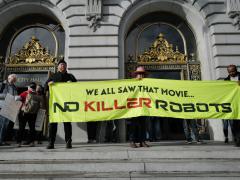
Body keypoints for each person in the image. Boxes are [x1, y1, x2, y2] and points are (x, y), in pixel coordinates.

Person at [45, 59, 77, 149]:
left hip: (67, 103)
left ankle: (68, 142)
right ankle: (51, 142)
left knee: (67, 124)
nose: (62, 66)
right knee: (53, 124)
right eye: (61, 65)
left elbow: (78, 88)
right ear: (58, 67)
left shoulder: (70, 76)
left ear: (66, 67)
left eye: (64, 65)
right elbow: (45, 87)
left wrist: (72, 84)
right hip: (56, 104)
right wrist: (48, 84)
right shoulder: (53, 76)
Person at [16, 82, 43, 147]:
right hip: (33, 113)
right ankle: (32, 142)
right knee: (32, 128)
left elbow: (17, 99)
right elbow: (41, 105)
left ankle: (19, 142)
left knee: (21, 127)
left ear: (29, 87)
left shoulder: (25, 93)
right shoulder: (38, 94)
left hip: (24, 113)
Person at [128, 66, 149, 148]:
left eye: (142, 74)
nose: (141, 76)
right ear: (136, 75)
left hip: (143, 107)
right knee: (133, 125)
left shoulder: (147, 84)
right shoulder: (131, 83)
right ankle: (132, 141)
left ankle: (142, 141)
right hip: (134, 108)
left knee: (143, 125)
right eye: (139, 74)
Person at [224, 64, 240, 146]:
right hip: (233, 105)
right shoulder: (226, 80)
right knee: (234, 125)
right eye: (230, 72)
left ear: (236, 70)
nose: (231, 73)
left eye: (233, 71)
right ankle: (237, 140)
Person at [0, 74, 18, 146]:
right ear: (8, 78)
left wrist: (16, 97)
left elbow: (15, 95)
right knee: (2, 124)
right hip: (2, 106)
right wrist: (8, 96)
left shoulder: (14, 87)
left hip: (10, 107)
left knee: (6, 125)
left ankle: (2, 140)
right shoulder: (2, 84)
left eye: (15, 80)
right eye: (13, 79)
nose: (14, 81)